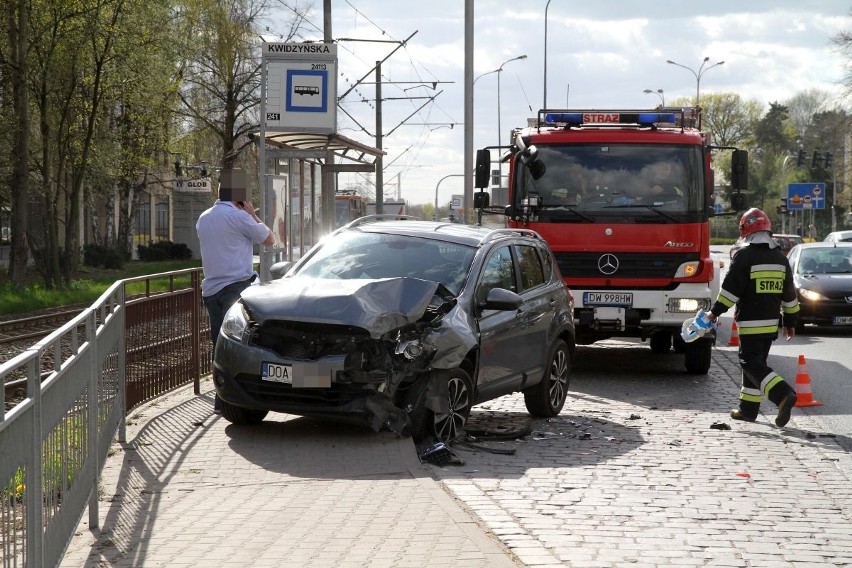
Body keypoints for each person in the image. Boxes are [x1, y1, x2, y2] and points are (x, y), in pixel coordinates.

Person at [706, 208, 799, 426]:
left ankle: (782, 394)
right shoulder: (780, 258)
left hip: (750, 321)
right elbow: (790, 296)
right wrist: (790, 322)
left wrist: (714, 313)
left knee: (748, 362)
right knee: (756, 364)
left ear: (745, 230)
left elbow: (730, 291)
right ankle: (747, 409)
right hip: (770, 324)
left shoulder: (744, 256)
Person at [196, 169, 274, 413]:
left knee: (218, 343)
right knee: (239, 344)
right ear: (240, 196)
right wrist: (252, 214)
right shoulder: (239, 217)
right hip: (237, 287)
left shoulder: (204, 217)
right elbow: (269, 239)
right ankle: (236, 400)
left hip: (211, 289)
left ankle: (221, 401)